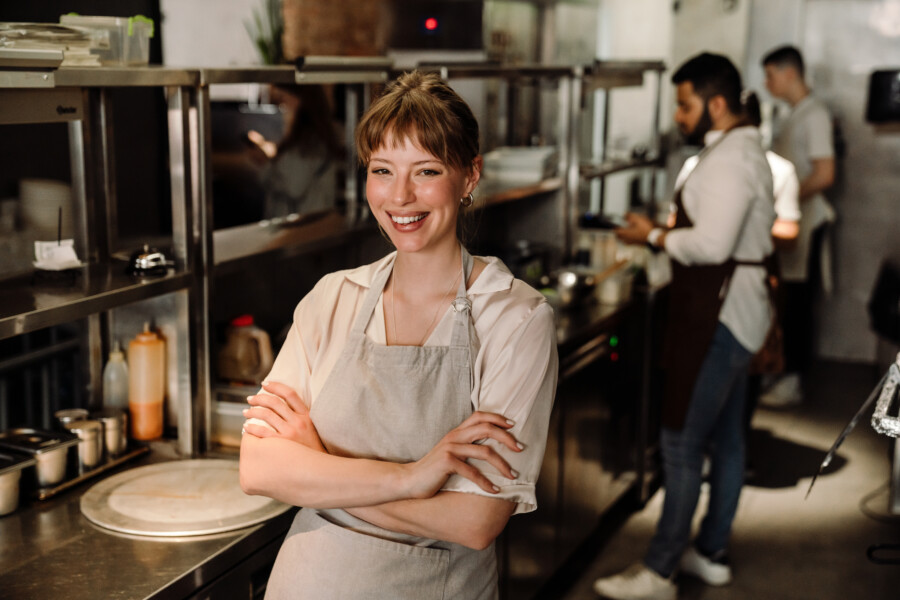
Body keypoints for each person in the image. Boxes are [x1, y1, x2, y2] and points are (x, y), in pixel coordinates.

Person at [239, 70, 558, 600]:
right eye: (382, 170)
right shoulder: (331, 300)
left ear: (469, 176)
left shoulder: (515, 318)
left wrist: (318, 464)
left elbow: (475, 520)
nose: (400, 197)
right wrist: (411, 479)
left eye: (426, 171)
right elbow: (260, 467)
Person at [592, 53, 775, 600]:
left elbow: (712, 245)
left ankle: (661, 568)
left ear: (716, 104)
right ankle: (711, 552)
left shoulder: (730, 160)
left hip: (718, 318)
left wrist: (652, 236)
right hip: (737, 313)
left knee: (680, 442)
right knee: (727, 437)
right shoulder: (738, 149)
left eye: (685, 103)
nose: (678, 114)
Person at [759, 45, 836, 408]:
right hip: (794, 220)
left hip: (808, 221)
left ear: (790, 73)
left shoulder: (814, 116)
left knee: (799, 303)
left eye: (770, 74)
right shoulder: (795, 114)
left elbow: (825, 173)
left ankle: (792, 381)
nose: (766, 83)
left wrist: (785, 198)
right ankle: (779, 369)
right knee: (787, 299)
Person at [247, 83, 341, 219]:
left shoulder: (310, 142)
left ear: (301, 100)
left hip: (304, 229)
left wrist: (264, 163)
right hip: (303, 228)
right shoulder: (309, 138)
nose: (282, 106)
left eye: (284, 98)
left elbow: (294, 186)